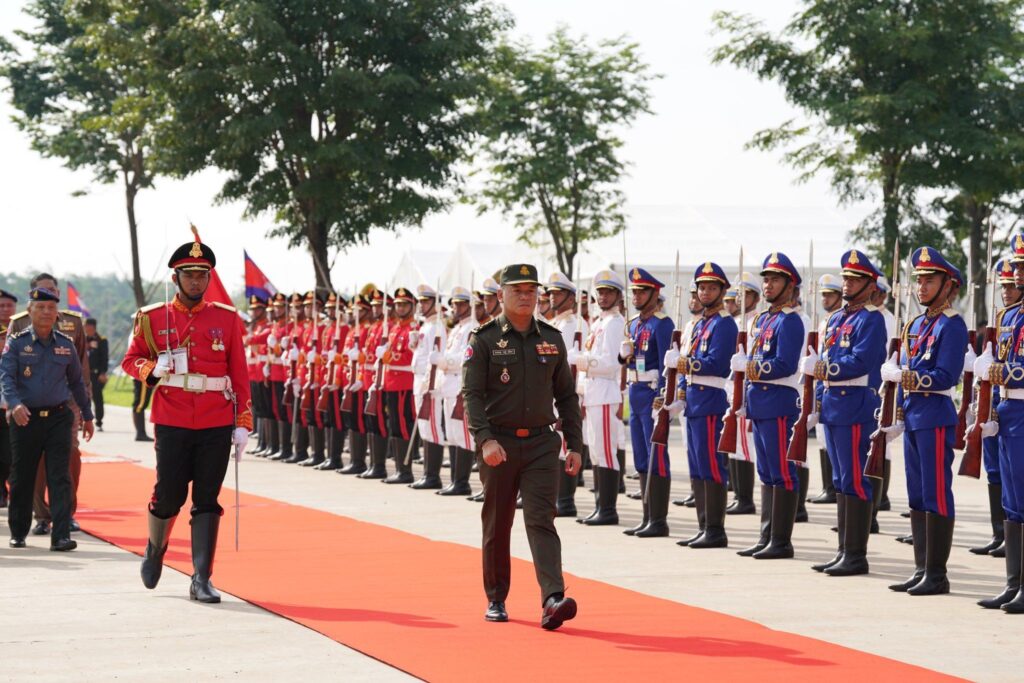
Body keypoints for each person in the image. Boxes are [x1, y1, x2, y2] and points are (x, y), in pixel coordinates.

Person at [122, 239, 251, 603]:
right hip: (173, 417)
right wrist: (152, 368)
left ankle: (201, 578)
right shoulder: (152, 317)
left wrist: (243, 420)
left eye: (202, 275)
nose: (196, 281)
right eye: (189, 275)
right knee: (169, 495)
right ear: (175, 278)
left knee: (207, 497)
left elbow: (239, 372)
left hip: (215, 417)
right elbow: (130, 360)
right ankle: (155, 548)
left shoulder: (226, 318)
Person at [462, 263, 582, 629]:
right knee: (498, 523)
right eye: (517, 290)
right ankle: (496, 597)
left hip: (542, 443)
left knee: (541, 518)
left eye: (531, 291)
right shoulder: (484, 339)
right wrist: (484, 440)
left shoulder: (552, 338)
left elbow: (566, 395)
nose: (526, 297)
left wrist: (574, 444)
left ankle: (553, 598)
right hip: (499, 443)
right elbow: (472, 395)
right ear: (501, 295)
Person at [882, 246, 967, 596]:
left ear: (948, 286)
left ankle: (937, 574)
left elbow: (946, 375)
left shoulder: (953, 325)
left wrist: (904, 376)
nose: (922, 287)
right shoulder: (916, 325)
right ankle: (921, 569)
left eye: (929, 281)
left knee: (935, 493)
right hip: (915, 416)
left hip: (935, 416)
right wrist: (897, 412)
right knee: (916, 494)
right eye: (919, 281)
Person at [801, 250, 887, 576]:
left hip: (855, 405)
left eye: (854, 279)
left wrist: (823, 369)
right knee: (840, 480)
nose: (847, 283)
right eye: (846, 278)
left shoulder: (872, 319)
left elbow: (861, 361)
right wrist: (816, 399)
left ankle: (856, 555)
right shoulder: (837, 318)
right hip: (834, 405)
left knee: (855, 479)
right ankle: (843, 551)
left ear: (870, 285)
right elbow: (827, 357)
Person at [2, 286, 94, 551]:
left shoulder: (65, 345)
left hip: (58, 418)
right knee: (22, 476)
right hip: (25, 418)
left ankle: (61, 536)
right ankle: (18, 532)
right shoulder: (17, 343)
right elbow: (6, 377)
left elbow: (77, 383)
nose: (46, 312)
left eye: (51, 308)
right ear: (29, 311)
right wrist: (15, 405)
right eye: (40, 307)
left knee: (59, 476)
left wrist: (87, 416)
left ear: (57, 314)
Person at [736, 252, 804, 560]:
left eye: (775, 280)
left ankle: (781, 541)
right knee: (766, 473)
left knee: (782, 472)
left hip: (778, 401)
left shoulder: (790, 321)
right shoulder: (763, 319)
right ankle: (767, 535)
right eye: (766, 280)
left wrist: (751, 368)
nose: (768, 285)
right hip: (760, 403)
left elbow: (785, 363)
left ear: (789, 286)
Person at [666, 263, 738, 549]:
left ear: (722, 291)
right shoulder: (700, 323)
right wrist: (681, 392)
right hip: (695, 400)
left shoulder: (724, 324)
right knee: (697, 465)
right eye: (702, 287)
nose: (705, 292)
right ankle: (703, 525)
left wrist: (682, 363)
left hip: (711, 399)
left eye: (711, 288)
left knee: (711, 466)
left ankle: (715, 530)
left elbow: (717, 363)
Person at [978, 236, 1024, 612]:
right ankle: (1014, 584)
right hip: (1009, 410)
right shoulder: (1008, 316)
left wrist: (1000, 371)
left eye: (1022, 268)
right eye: (1017, 266)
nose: (1017, 273)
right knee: (1012, 501)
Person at [971, 259, 1021, 558]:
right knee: (1008, 492)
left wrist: (993, 371)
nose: (1009, 287)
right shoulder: (1007, 318)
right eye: (1004, 284)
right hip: (1004, 408)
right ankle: (1013, 576)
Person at [620, 268, 675, 537]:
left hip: (653, 393)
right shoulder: (633, 324)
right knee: (641, 456)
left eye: (642, 292)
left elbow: (667, 364)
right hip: (636, 391)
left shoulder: (662, 324)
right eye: (634, 292)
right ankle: (646, 517)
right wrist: (623, 356)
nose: (637, 296)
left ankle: (659, 520)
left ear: (655, 294)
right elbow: (631, 360)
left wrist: (664, 397)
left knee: (656, 456)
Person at [572, 270, 626, 526]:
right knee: (595, 451)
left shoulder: (615, 323)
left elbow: (611, 363)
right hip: (594, 392)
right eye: (600, 292)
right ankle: (599, 506)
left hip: (605, 391)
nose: (603, 296)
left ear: (617, 295)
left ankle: (608, 509)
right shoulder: (598, 323)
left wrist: (582, 361)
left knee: (605, 451)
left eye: (608, 292)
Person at [546, 271, 588, 517]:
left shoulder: (573, 325)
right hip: (551, 391)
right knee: (555, 446)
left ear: (571, 298)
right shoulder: (556, 324)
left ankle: (566, 501)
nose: (553, 297)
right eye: (551, 293)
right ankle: (557, 497)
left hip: (565, 391)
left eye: (558, 293)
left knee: (566, 445)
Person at [726, 272, 761, 516]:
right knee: (735, 444)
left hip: (747, 385)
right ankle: (738, 495)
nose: (739, 299)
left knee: (745, 445)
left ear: (755, 298)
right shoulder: (737, 321)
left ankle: (746, 498)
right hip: (732, 385)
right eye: (738, 294)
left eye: (745, 294)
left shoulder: (756, 322)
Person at [437, 286, 476, 496]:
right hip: (448, 385)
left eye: (461, 304)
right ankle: (454, 480)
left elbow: (466, 357)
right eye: (454, 304)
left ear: (470, 306)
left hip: (460, 383)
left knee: (463, 435)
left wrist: (446, 361)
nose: (456, 308)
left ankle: (462, 482)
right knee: (452, 435)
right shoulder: (456, 329)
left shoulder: (472, 328)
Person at [809, 274, 843, 505]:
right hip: (822, 382)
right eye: (824, 295)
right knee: (823, 438)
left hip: (838, 384)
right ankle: (828, 486)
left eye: (830, 295)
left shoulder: (841, 320)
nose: (825, 299)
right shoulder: (824, 322)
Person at [412, 283, 446, 489]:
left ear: (435, 303)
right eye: (421, 301)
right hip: (419, 380)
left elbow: (436, 357)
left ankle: (433, 476)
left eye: (426, 301)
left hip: (430, 382)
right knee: (424, 428)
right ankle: (427, 473)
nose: (422, 305)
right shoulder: (425, 326)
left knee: (433, 428)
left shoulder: (437, 326)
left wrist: (429, 383)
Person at [338, 293, 373, 475]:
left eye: (357, 311)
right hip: (348, 379)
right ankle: (354, 459)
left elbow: (366, 359)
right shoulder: (353, 331)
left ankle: (359, 462)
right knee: (351, 420)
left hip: (359, 382)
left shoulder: (365, 330)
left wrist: (359, 378)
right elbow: (346, 358)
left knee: (359, 421)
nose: (352, 314)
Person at [0, 288, 18, 508]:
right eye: (1, 306)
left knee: (12, 453)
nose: (5, 310)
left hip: (15, 404)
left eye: (9, 305)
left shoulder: (23, 330)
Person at [84, 317, 109, 432]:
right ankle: (82, 420)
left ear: (92, 327)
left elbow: (104, 358)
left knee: (97, 398)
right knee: (82, 397)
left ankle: (99, 421)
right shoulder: (82, 339)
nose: (85, 328)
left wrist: (103, 372)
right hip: (84, 374)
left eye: (86, 326)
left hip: (95, 374)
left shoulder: (101, 340)